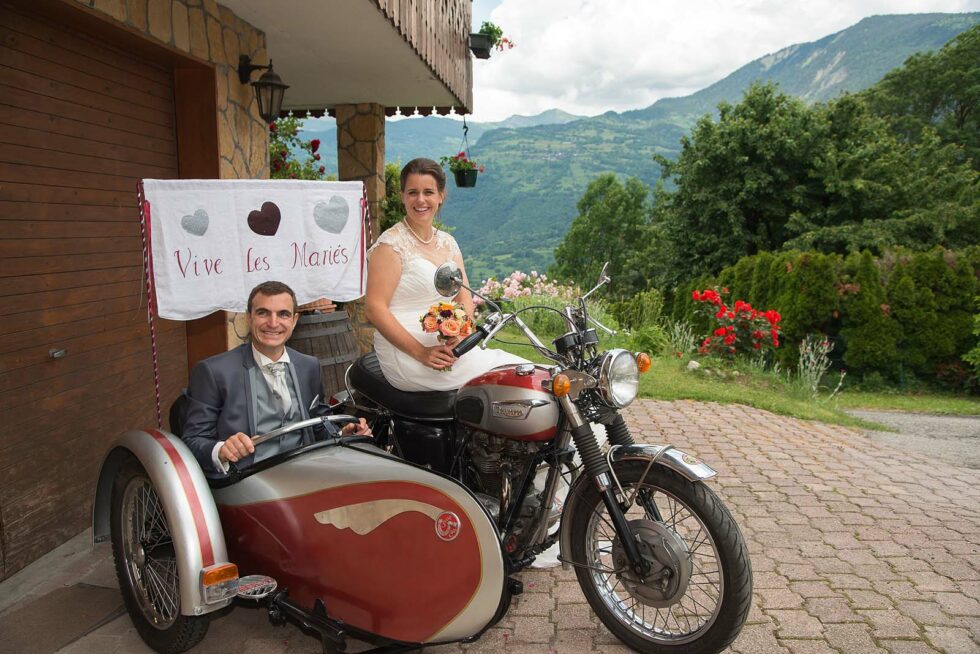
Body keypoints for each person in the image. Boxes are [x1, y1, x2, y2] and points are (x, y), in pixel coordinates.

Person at [365, 158, 526, 392]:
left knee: (525, 371)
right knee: (505, 381)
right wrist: (422, 353)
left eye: (428, 192)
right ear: (402, 196)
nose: (421, 200)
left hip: (452, 350)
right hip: (408, 354)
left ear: (441, 196)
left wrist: (461, 334)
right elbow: (374, 308)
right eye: (412, 192)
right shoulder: (390, 246)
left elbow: (464, 299)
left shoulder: (448, 243)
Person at [182, 280, 369, 477]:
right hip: (246, 480)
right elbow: (193, 439)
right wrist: (221, 450)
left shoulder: (309, 366)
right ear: (249, 318)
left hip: (306, 471)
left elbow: (317, 422)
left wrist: (341, 433)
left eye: (283, 314)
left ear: (294, 320)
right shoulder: (213, 371)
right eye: (263, 313)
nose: (273, 323)